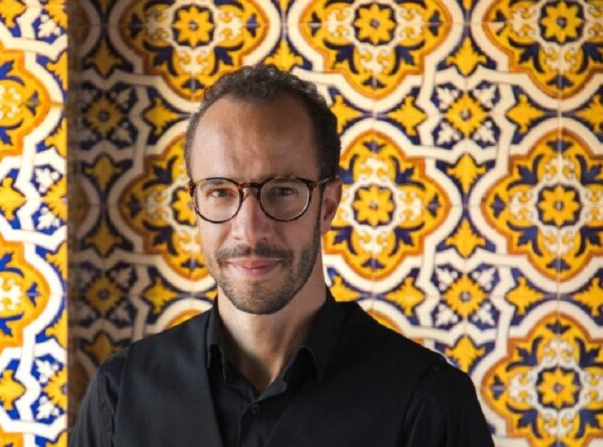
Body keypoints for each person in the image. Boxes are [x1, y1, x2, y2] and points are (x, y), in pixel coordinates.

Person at [71, 65, 494, 446]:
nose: (250, 229)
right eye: (220, 191)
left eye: (283, 191)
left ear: (328, 205)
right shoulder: (119, 395)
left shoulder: (428, 403)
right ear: (194, 204)